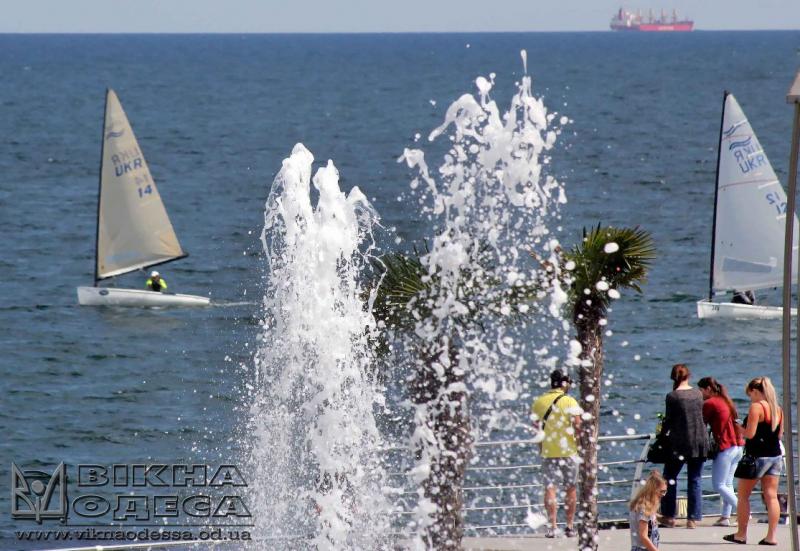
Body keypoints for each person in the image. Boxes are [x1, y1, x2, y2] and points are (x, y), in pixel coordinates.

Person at [723, 376, 783, 546]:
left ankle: (741, 534)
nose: (750, 398)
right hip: (775, 456)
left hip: (757, 457)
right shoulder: (777, 409)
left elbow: (750, 434)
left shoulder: (756, 407)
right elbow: (779, 435)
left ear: (756, 391)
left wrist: (738, 427)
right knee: (771, 496)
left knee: (743, 496)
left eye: (750, 394)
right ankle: (771, 536)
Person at [531, 369, 582, 538]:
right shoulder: (569, 401)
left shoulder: (539, 402)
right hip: (569, 451)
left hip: (548, 451)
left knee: (550, 488)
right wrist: (579, 444)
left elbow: (536, 429)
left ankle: (552, 526)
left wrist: (541, 448)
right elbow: (577, 426)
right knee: (571, 488)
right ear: (564, 383)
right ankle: (569, 526)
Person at [658, 364, 708, 528]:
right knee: (695, 479)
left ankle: (669, 516)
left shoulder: (672, 396)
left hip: (679, 443)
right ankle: (692, 518)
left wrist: (661, 435)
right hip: (699, 440)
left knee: (670, 478)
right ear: (689, 376)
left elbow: (669, 421)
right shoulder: (698, 394)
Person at [698, 376, 744, 527]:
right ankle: (725, 517)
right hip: (738, 446)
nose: (700, 394)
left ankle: (744, 511)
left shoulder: (710, 403)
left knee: (718, 485)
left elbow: (700, 422)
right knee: (728, 483)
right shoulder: (726, 401)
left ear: (708, 389)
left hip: (726, 446)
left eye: (701, 390)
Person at [629, 470, 667, 551]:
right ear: (653, 490)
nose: (664, 494)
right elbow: (643, 536)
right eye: (662, 491)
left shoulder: (649, 506)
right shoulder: (644, 508)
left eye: (665, 491)